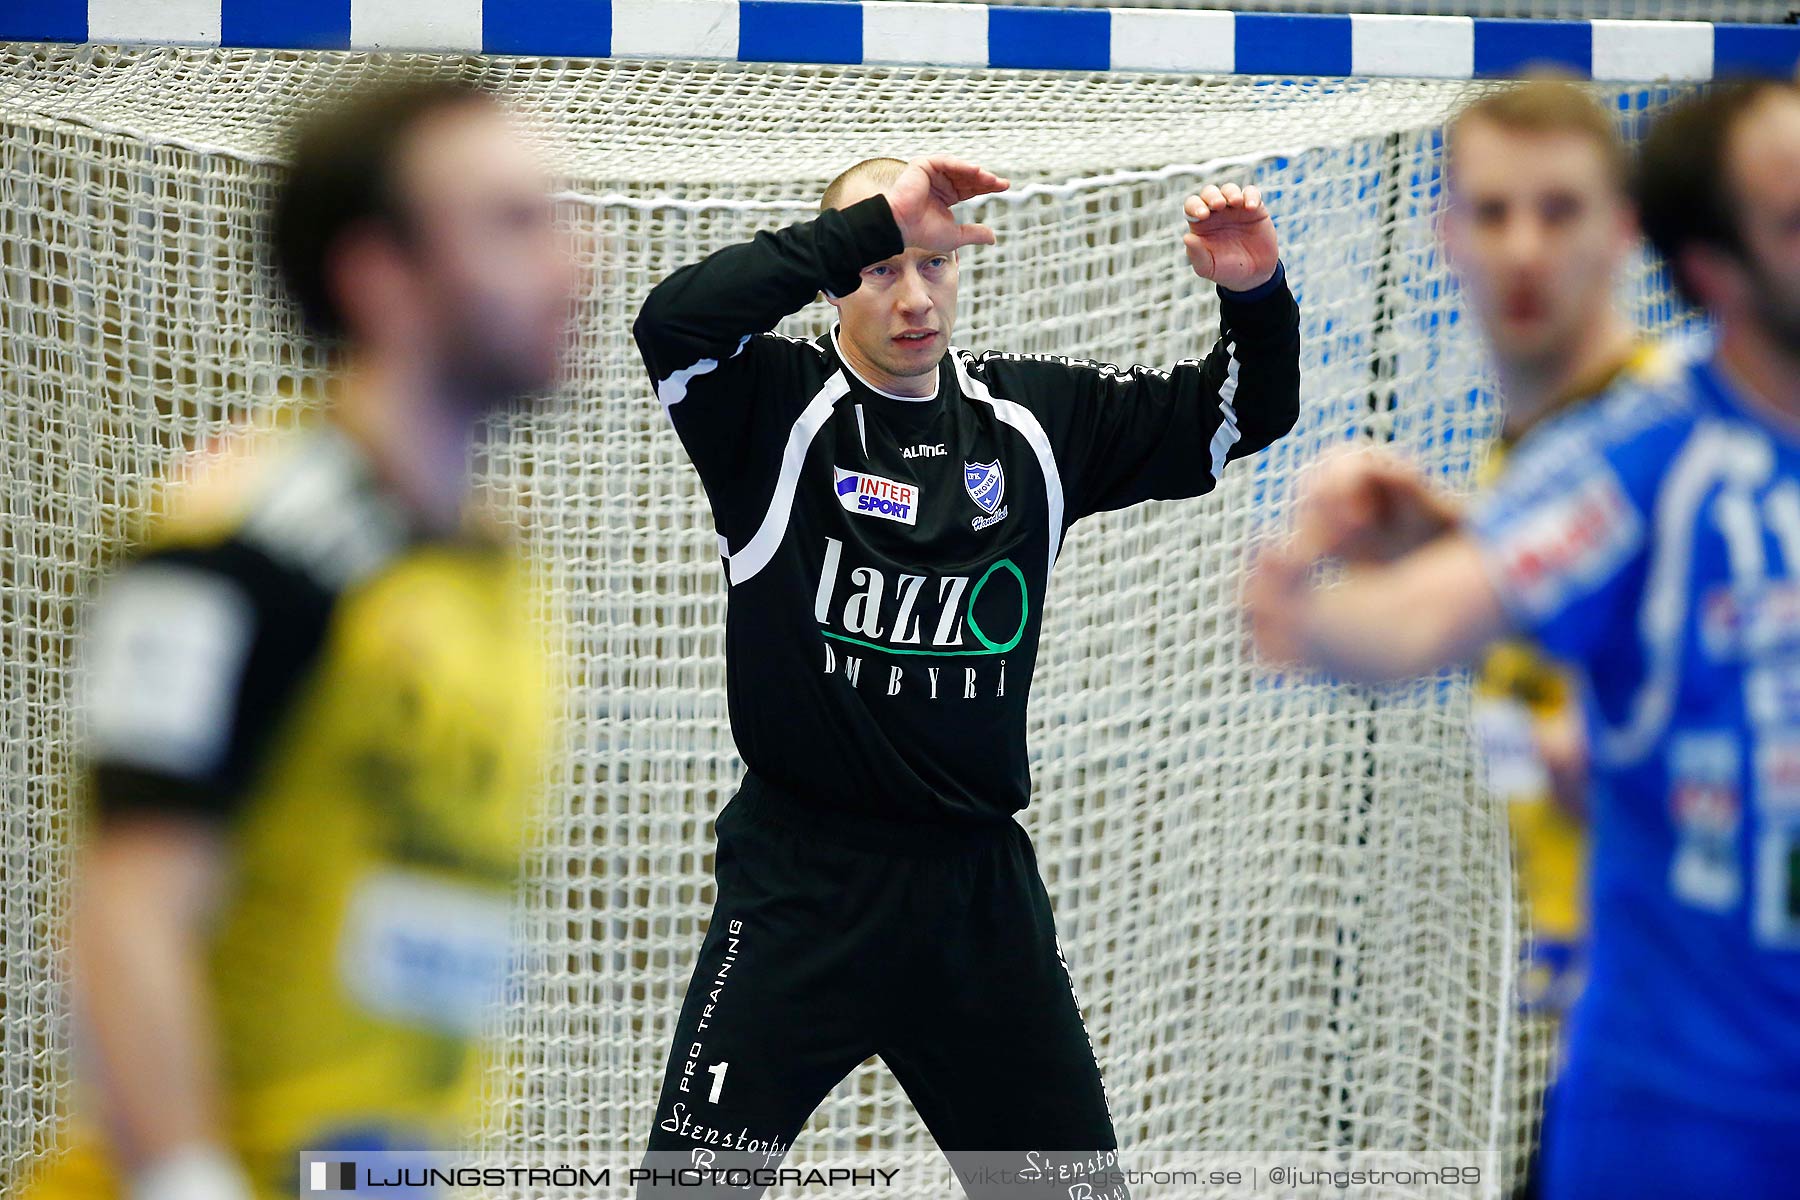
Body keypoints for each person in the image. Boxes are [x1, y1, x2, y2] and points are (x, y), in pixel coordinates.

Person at [631, 154, 1299, 1196]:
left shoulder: (1029, 421)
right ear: (834, 277)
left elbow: (1239, 415)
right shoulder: (772, 411)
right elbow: (670, 325)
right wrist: (857, 229)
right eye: (879, 269)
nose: (911, 298)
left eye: (933, 266)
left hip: (975, 901)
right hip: (803, 886)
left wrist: (1252, 291)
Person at [1244, 79, 1800, 1200]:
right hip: (1644, 1020)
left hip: (1713, 1057)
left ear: (1630, 230)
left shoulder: (1670, 430)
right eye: (1493, 213)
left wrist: (1310, 598)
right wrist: (1443, 537)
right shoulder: (1535, 478)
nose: (1525, 249)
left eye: (1559, 209)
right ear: (1444, 234)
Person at [21, 79, 573, 1200]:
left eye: (559, 211)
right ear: (383, 277)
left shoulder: (500, 570)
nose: (575, 258)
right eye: (513, 223)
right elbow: (126, 911)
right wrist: (186, 1179)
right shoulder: (246, 550)